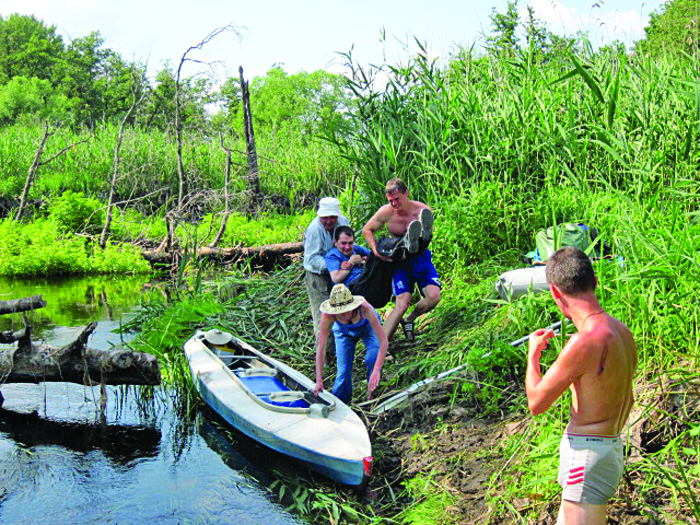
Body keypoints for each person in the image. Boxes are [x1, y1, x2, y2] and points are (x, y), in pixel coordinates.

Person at [526, 246, 637, 525]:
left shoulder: (584, 340)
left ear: (555, 292)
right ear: (595, 281)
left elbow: (536, 403)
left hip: (587, 455)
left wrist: (533, 356)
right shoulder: (623, 331)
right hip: (609, 447)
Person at [362, 177, 439, 342]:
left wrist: (426, 235)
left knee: (434, 298)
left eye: (397, 199)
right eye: (390, 201)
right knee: (402, 303)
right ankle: (381, 345)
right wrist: (376, 250)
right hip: (400, 262)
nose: (394, 204)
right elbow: (367, 229)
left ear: (407, 193)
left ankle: (410, 319)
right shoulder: (386, 212)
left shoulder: (422, 210)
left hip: (420, 258)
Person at [314, 284, 388, 403]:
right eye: (339, 313)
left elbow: (383, 341)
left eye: (345, 312)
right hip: (343, 332)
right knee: (343, 371)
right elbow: (321, 347)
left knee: (372, 357)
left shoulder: (365, 309)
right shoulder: (328, 315)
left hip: (368, 328)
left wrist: (377, 370)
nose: (342, 315)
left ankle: (373, 395)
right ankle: (341, 401)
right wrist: (319, 381)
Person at [303, 197, 349, 353]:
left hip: (337, 272)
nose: (329, 221)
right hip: (318, 275)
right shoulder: (314, 229)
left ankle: (341, 350)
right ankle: (325, 356)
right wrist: (333, 265)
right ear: (320, 216)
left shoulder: (343, 223)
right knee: (324, 315)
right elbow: (312, 258)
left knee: (342, 310)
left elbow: (347, 244)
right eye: (325, 217)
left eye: (332, 217)